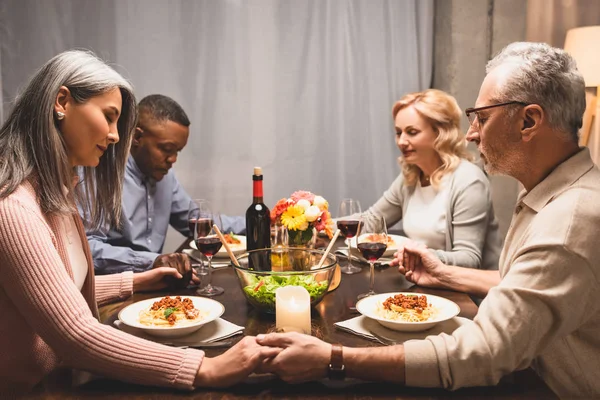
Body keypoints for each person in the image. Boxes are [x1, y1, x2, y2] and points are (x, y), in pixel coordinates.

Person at [255, 42, 600, 399]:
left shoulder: (569, 222)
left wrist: (334, 358)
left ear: (529, 120)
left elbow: (481, 353)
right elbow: (520, 283)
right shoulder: (547, 195)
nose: (472, 133)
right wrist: (443, 273)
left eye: (481, 116)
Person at [0, 50, 277, 396]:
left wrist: (140, 280)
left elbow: (55, 290)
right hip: (35, 389)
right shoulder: (12, 207)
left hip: (63, 377)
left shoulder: (57, 190)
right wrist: (205, 367)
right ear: (62, 102)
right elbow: (74, 333)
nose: (117, 136)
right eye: (109, 116)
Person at [83, 94, 245, 274]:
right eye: (167, 149)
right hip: (121, 286)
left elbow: (199, 222)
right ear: (136, 136)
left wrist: (259, 222)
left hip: (158, 281)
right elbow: (88, 248)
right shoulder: (101, 172)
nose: (173, 159)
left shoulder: (164, 175)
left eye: (178, 151)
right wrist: (153, 261)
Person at [362, 89, 501, 270]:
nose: (401, 141)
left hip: (466, 295)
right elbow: (372, 220)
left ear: (440, 133)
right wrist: (319, 220)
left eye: (412, 132)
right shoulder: (412, 177)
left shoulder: (469, 181)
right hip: (424, 281)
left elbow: (469, 258)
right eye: (398, 132)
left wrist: (422, 256)